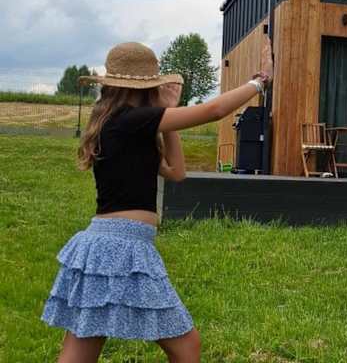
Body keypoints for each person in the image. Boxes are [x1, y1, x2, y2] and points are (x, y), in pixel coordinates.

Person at [41, 40, 273, 363]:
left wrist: (170, 118)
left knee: (83, 349)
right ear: (146, 87)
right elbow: (214, 110)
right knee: (186, 345)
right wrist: (259, 82)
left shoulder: (123, 123)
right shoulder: (130, 121)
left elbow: (177, 172)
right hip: (122, 248)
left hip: (108, 247)